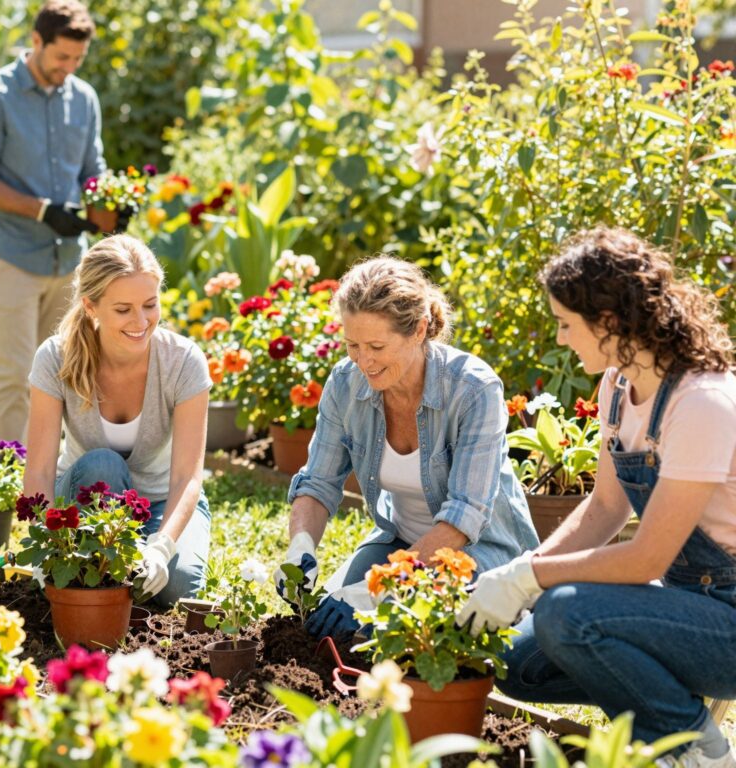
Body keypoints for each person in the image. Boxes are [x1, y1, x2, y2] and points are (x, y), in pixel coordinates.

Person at [457, 228, 736, 768]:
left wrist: (529, 580)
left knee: (568, 615)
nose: (561, 338)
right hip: (688, 605)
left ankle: (696, 750)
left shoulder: (702, 402)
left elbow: (647, 558)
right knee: (518, 661)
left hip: (727, 617)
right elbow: (605, 508)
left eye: (566, 324)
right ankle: (666, 712)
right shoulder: (617, 386)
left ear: (608, 322)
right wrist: (521, 574)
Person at [274, 256, 539, 638]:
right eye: (352, 345)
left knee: (394, 632)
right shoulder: (346, 384)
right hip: (398, 544)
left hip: (477, 555)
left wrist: (372, 592)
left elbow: (463, 519)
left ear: (418, 329)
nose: (363, 362)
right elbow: (317, 483)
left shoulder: (473, 389)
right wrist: (300, 547)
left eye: (377, 346)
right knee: (325, 632)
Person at [22, 234, 211, 607]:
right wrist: (44, 538)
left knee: (177, 587)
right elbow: (40, 468)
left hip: (160, 500)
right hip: (87, 494)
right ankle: (101, 566)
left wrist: (162, 546)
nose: (141, 321)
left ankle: (126, 562)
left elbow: (187, 477)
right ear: (90, 306)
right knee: (103, 466)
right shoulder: (55, 358)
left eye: (150, 305)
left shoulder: (183, 361)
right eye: (123, 309)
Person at [0, 0, 110, 444]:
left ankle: (50, 477)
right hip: (10, 255)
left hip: (67, 260)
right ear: (36, 41)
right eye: (61, 57)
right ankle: (7, 486)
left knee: (66, 372)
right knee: (15, 376)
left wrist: (109, 203)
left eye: (77, 59)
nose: (69, 67)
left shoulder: (83, 98)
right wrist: (42, 210)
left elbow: (92, 169)